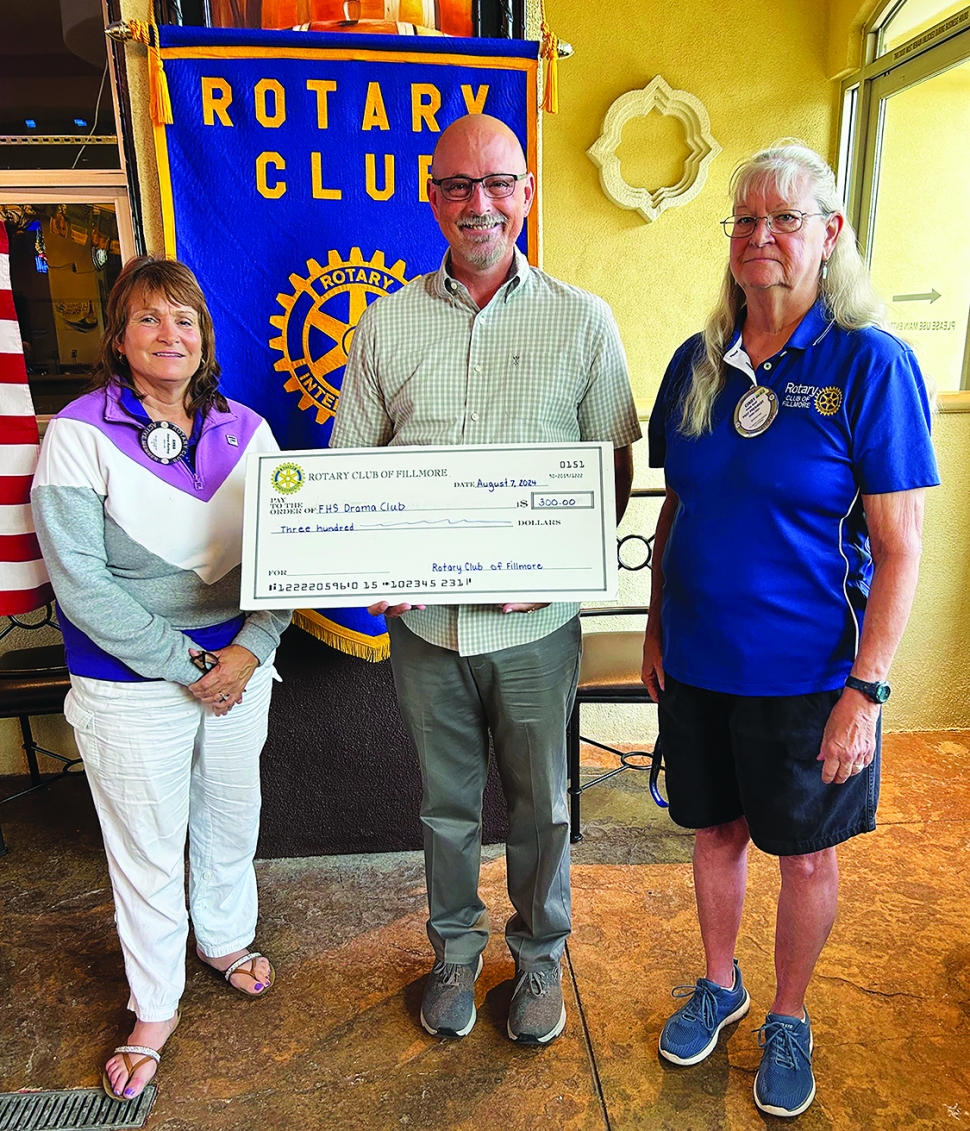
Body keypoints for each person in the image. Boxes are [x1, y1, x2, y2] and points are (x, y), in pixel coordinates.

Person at [641, 142, 939, 1117]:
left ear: (829, 233)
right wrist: (654, 626)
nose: (761, 236)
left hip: (812, 675)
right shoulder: (697, 362)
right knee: (713, 834)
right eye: (745, 219)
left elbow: (900, 548)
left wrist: (869, 690)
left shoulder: (871, 365)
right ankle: (720, 982)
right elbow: (676, 505)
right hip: (699, 661)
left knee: (804, 855)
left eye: (785, 218)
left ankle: (790, 1013)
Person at [331, 113, 640, 1045]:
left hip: (534, 626)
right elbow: (353, 466)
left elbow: (613, 462)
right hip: (426, 629)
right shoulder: (385, 321)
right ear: (432, 199)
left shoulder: (583, 320)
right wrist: (371, 562)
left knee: (543, 801)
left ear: (526, 195)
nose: (479, 204)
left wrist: (558, 562)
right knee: (445, 804)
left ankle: (540, 954)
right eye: (458, 186)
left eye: (497, 183)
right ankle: (456, 952)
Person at [31, 257, 291, 1100]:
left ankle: (222, 937)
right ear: (117, 336)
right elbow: (80, 582)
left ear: (205, 338)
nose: (168, 334)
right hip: (131, 679)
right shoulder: (75, 433)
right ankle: (153, 1005)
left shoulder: (248, 430)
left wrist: (249, 649)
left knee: (229, 815)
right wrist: (190, 663)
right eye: (148, 319)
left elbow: (290, 559)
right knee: (145, 846)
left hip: (239, 666)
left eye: (184, 319)